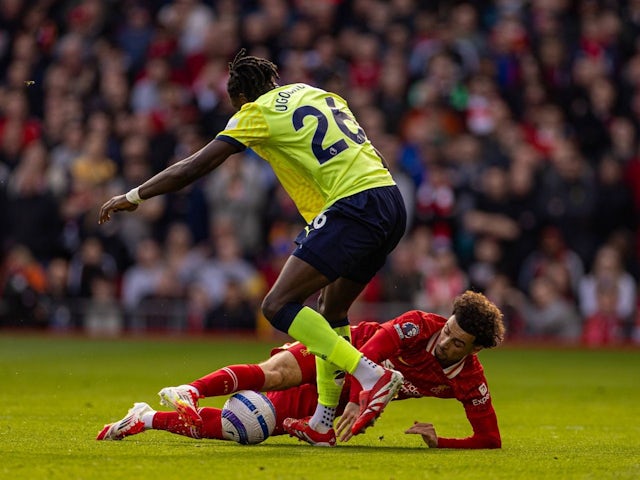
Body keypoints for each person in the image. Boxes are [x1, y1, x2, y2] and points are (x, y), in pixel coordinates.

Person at [98, 49, 408, 439]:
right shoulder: (317, 93)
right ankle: (323, 422)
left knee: (277, 305)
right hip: (390, 199)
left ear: (241, 98)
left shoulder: (255, 112)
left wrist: (134, 196)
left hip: (353, 204)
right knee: (331, 310)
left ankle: (370, 375)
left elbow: (192, 166)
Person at [97, 291, 505, 449]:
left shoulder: (469, 381)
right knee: (275, 372)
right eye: (449, 329)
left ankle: (145, 418)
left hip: (346, 399)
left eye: (456, 342)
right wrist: (366, 392)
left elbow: (490, 438)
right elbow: (377, 347)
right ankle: (190, 390)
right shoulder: (422, 324)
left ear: (476, 350)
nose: (445, 341)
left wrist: (443, 444)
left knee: (245, 428)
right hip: (343, 349)